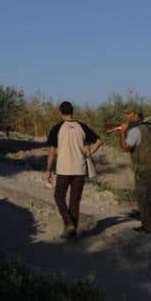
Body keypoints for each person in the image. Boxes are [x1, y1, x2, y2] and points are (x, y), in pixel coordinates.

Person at [45, 101, 103, 239]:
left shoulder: (57, 128)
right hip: (80, 169)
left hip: (64, 170)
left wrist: (48, 170)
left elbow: (52, 151)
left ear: (61, 112)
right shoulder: (82, 127)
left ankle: (68, 223)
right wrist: (88, 154)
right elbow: (99, 141)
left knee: (59, 196)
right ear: (72, 111)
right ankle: (72, 234)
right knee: (74, 201)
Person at [117, 108, 151, 234]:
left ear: (136, 114)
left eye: (129, 113)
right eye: (126, 113)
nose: (126, 116)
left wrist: (123, 132)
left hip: (145, 168)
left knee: (143, 197)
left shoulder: (135, 130)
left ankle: (147, 227)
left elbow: (125, 147)